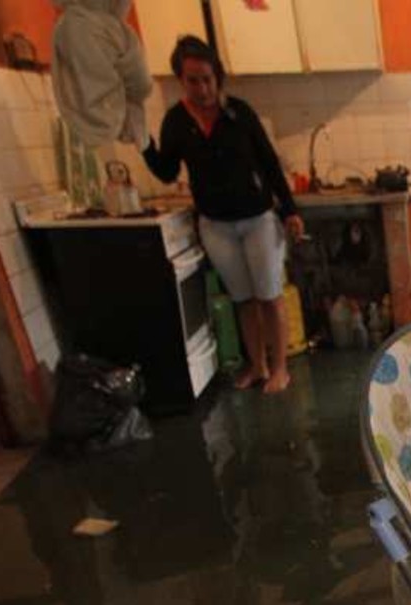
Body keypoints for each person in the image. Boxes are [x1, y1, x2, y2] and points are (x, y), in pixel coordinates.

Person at [142, 36, 303, 394]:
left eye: (207, 79)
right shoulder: (176, 122)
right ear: (181, 80)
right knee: (243, 299)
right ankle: (257, 365)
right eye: (193, 80)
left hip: (258, 219)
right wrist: (144, 145)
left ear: (218, 77)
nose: (202, 89)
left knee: (269, 294)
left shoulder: (239, 113)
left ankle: (280, 369)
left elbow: (268, 162)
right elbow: (167, 171)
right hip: (215, 225)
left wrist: (289, 210)